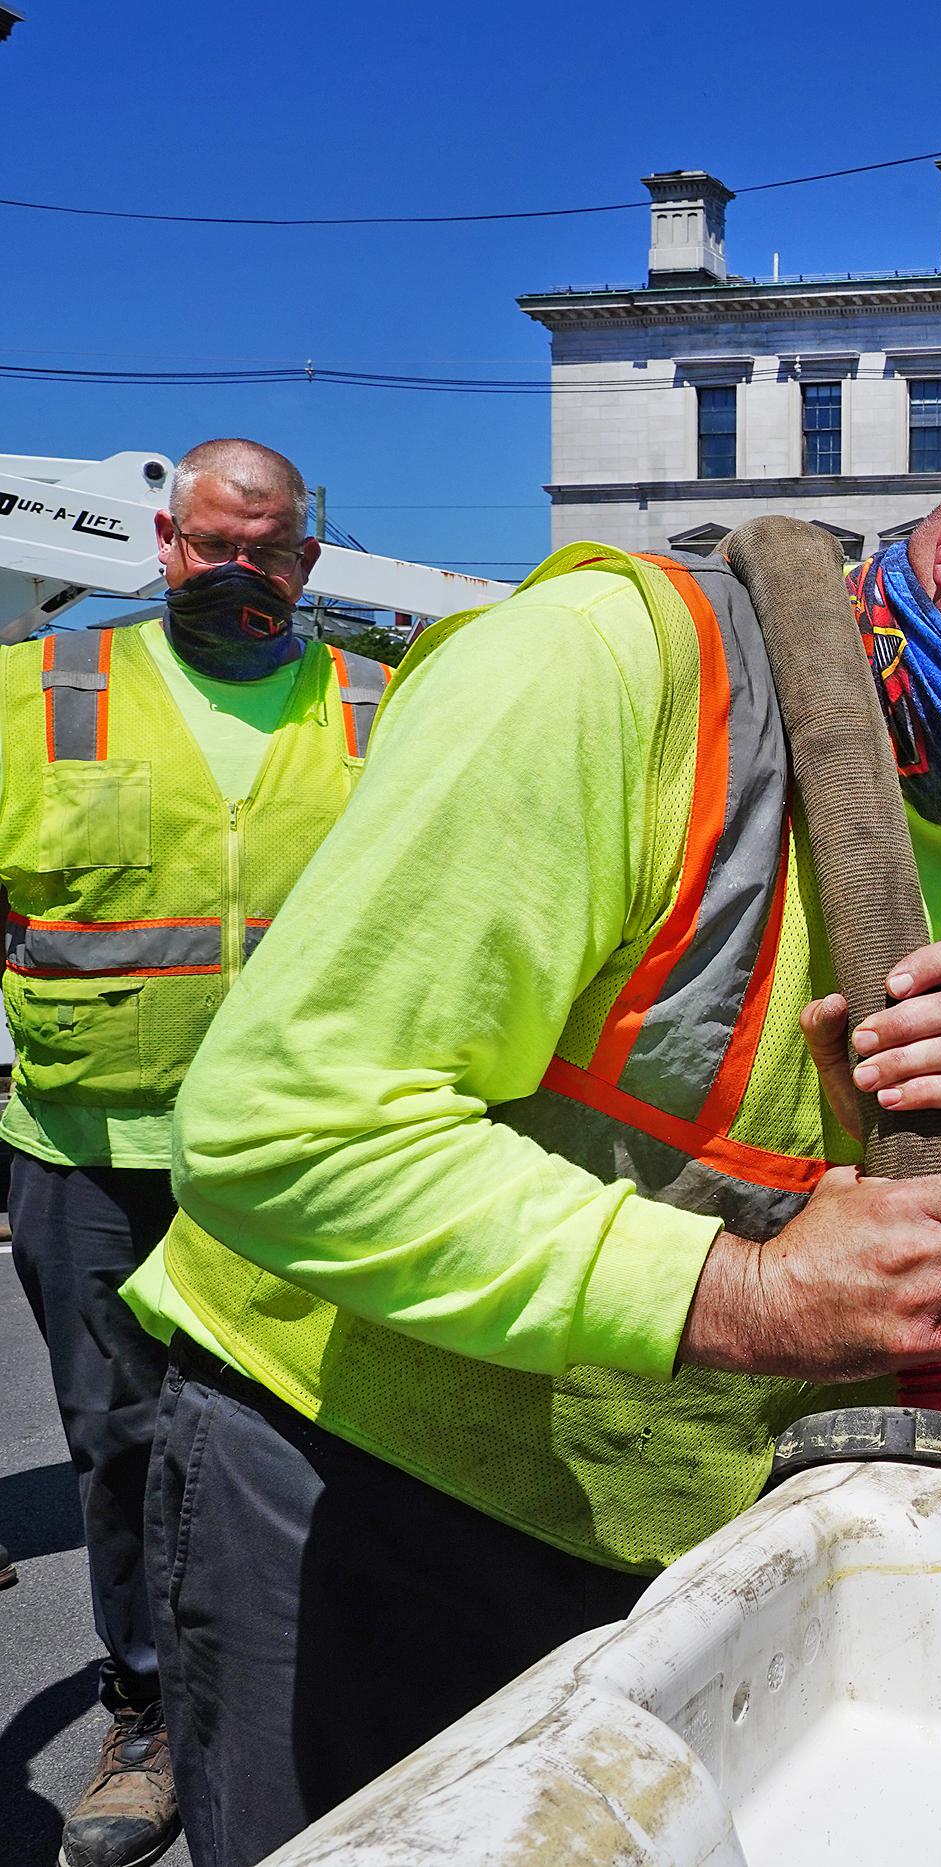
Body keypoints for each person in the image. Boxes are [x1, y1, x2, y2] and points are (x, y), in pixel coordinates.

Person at [121, 393, 941, 1864]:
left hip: (705, 1533)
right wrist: (764, 1291)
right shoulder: (611, 671)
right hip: (365, 1475)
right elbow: (290, 1132)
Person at [2, 438, 386, 1867]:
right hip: (88, 1151)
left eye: (268, 552)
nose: (239, 575)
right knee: (120, 1450)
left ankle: (321, 1704)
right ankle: (150, 1719)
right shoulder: (42, 694)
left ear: (308, 561)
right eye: (214, 547)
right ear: (165, 543)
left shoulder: (373, 707)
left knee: (317, 1438)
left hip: (301, 1155)